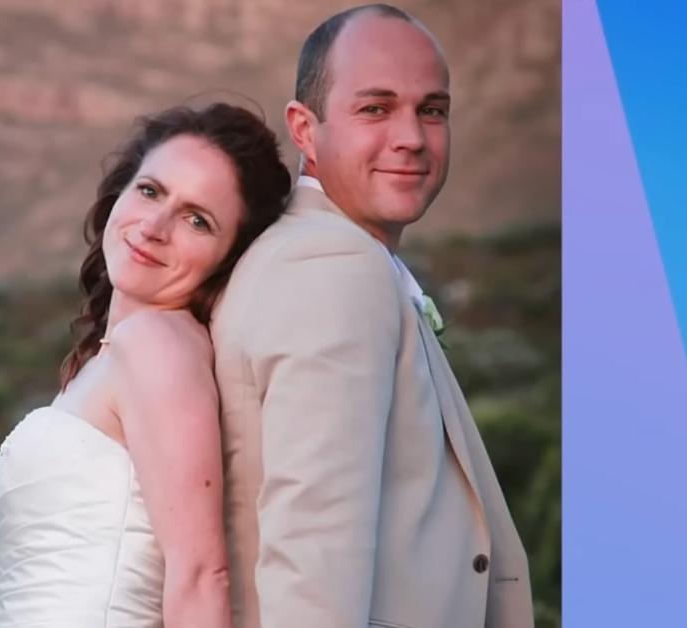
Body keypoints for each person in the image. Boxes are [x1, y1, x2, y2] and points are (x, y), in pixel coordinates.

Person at [210, 5, 536, 628]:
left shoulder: (298, 253)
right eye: (375, 109)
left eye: (432, 109)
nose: (412, 136)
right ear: (305, 130)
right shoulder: (336, 268)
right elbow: (313, 556)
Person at [0, 102, 291, 627]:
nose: (155, 226)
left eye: (197, 220)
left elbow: (201, 575)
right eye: (150, 191)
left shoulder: (158, 345)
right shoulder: (112, 354)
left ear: (227, 260)